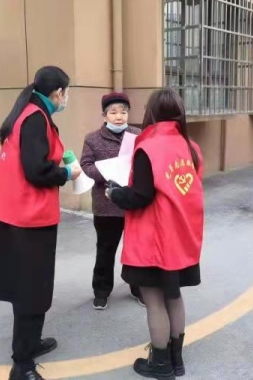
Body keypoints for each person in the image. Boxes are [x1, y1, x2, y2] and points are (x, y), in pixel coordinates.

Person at [0, 66, 81, 380]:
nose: (66, 98)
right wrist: (67, 173)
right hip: (27, 220)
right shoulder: (35, 118)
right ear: (58, 93)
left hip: (17, 215)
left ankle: (31, 342)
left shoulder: (28, 112)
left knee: (30, 288)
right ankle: (22, 364)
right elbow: (36, 170)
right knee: (30, 291)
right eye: (66, 92)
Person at [106, 88, 205, 379]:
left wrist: (115, 194)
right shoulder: (191, 147)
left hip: (154, 240)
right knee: (174, 296)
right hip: (181, 238)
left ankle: (160, 365)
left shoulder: (147, 147)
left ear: (151, 113)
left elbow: (141, 196)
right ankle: (177, 360)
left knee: (154, 301)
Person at [80, 92, 144, 310]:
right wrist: (110, 171)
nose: (119, 117)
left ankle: (137, 288)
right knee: (105, 251)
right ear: (104, 115)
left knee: (135, 250)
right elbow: (86, 166)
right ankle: (101, 291)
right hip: (106, 206)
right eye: (113, 112)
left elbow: (146, 161)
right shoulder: (92, 139)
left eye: (123, 112)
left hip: (132, 204)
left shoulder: (138, 135)